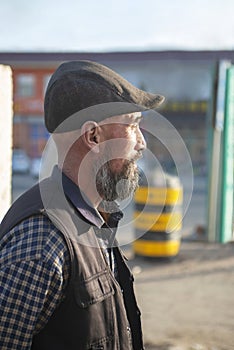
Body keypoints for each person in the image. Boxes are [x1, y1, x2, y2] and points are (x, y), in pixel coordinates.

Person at [0, 60, 164, 350]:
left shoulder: (93, 218)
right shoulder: (43, 241)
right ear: (93, 136)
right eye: (133, 125)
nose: (142, 143)